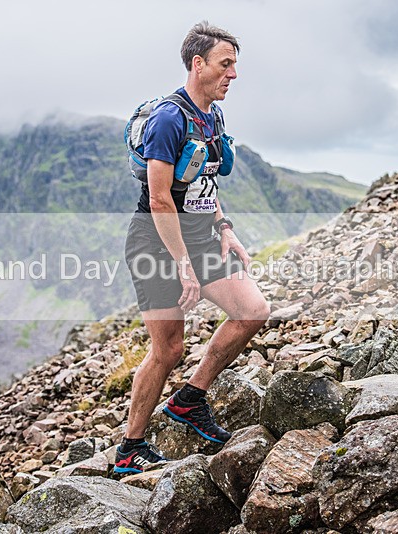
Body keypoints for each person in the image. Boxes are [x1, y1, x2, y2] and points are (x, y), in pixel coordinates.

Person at [115, 21, 271, 474]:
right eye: (226, 64)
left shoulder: (212, 115)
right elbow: (160, 197)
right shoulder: (169, 118)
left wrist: (224, 226)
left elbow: (205, 180)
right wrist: (183, 264)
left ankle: (189, 399)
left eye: (235, 65)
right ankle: (129, 448)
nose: (233, 74)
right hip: (156, 241)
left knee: (252, 311)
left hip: (202, 236)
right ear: (198, 64)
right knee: (168, 350)